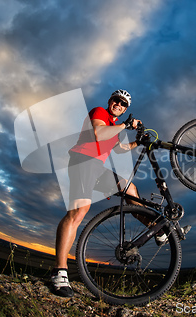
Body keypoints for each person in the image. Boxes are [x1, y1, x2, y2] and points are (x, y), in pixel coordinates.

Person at [50, 89, 141, 297]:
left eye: (123, 104)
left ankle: (157, 229)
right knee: (79, 211)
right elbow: (99, 133)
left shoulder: (114, 126)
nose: (119, 104)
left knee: (130, 189)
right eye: (116, 100)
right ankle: (59, 271)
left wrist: (139, 142)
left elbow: (119, 149)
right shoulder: (100, 112)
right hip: (83, 160)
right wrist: (125, 125)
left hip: (97, 167)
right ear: (110, 101)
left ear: (126, 108)